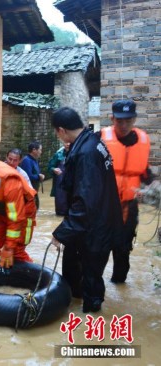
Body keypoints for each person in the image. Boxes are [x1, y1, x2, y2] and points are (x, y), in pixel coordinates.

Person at [50, 107, 123, 313]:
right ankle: (74, 305)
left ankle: (90, 326)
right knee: (73, 270)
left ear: (62, 130)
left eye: (57, 132)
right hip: (97, 220)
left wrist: (62, 233)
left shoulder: (86, 153)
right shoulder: (92, 141)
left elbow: (85, 202)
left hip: (96, 227)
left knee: (91, 279)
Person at [101, 99, 153, 284]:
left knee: (123, 249)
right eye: (119, 120)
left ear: (134, 120)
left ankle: (119, 284)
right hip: (104, 207)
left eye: (128, 120)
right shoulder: (100, 139)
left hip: (129, 207)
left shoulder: (144, 141)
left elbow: (146, 173)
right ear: (112, 118)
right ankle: (94, 293)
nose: (123, 125)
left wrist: (151, 187)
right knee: (99, 248)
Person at [20, 141, 45, 209]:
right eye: (40, 149)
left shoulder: (34, 160)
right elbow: (27, 177)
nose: (41, 152)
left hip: (33, 190)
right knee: (32, 209)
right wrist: (39, 176)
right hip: (29, 191)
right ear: (34, 150)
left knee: (35, 208)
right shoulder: (27, 161)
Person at [47, 142, 70, 216]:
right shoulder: (58, 154)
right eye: (66, 142)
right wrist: (54, 169)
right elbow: (50, 167)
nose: (68, 144)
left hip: (72, 183)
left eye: (70, 142)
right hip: (60, 185)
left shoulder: (77, 153)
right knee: (60, 209)